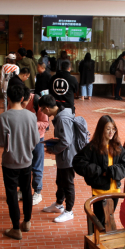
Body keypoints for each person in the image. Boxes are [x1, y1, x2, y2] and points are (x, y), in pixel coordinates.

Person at [0, 85, 40, 239]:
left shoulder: (3, 117)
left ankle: (16, 228)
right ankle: (27, 221)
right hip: (27, 161)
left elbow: (1, 142)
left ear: (8, 98)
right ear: (22, 98)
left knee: (11, 194)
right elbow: (36, 140)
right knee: (27, 190)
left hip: (9, 162)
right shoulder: (31, 116)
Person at [73, 115, 125, 226]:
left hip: (115, 191)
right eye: (108, 129)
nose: (111, 132)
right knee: (99, 221)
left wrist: (112, 171)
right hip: (99, 191)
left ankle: (102, 236)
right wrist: (97, 170)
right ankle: (95, 236)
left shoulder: (117, 146)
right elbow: (77, 162)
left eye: (113, 129)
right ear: (101, 130)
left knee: (109, 219)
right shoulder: (93, 147)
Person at [39, 94, 79, 223]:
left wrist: (53, 149)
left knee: (68, 183)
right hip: (64, 156)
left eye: (42, 109)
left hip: (68, 156)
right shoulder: (62, 113)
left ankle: (69, 211)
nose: (43, 113)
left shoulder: (62, 118)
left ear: (47, 108)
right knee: (61, 181)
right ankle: (58, 204)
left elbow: (66, 141)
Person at [23, 89, 50, 206]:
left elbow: (45, 123)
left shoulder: (38, 101)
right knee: (23, 165)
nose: (21, 106)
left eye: (22, 103)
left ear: (28, 98)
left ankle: (37, 192)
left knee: (37, 166)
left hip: (37, 138)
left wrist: (31, 123)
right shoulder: (15, 101)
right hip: (23, 138)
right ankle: (22, 189)